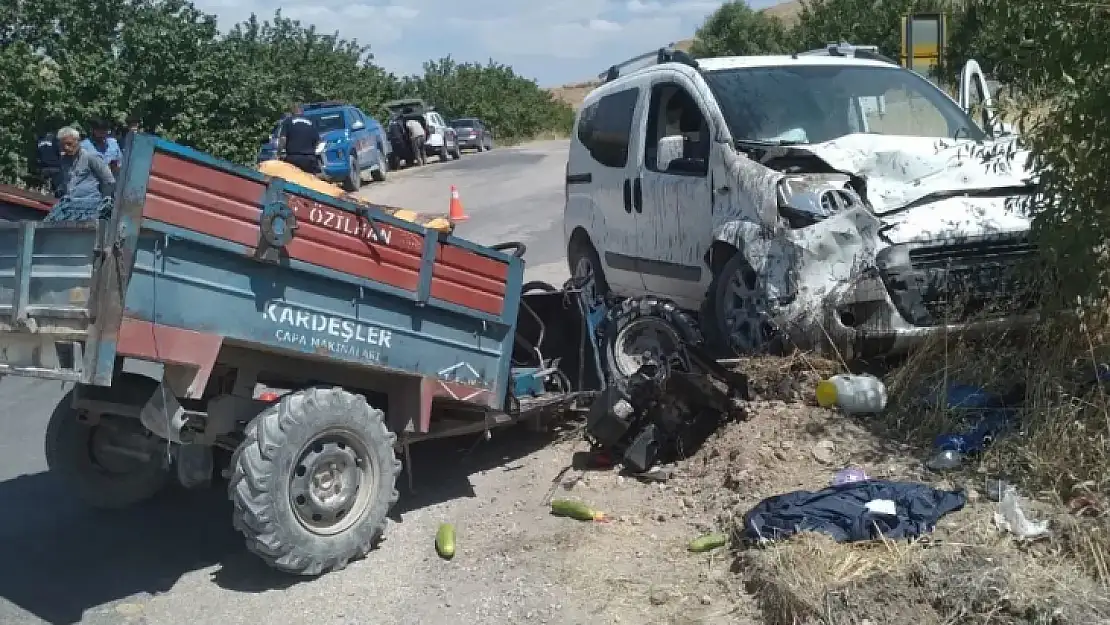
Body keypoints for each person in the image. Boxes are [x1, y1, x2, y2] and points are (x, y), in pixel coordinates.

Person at [43, 126, 117, 223]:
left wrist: (105, 204)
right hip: (71, 208)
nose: (66, 148)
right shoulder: (64, 161)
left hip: (90, 208)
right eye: (63, 145)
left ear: (78, 141)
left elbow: (109, 181)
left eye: (69, 144)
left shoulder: (91, 158)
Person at [278, 104, 321, 174]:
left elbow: (283, 139)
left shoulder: (288, 121)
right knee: (309, 180)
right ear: (302, 111)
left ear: (292, 112)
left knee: (292, 180)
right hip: (309, 159)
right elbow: (318, 141)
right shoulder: (311, 122)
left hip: (293, 158)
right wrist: (312, 150)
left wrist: (279, 153)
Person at [35, 124, 65, 198]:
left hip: (44, 169)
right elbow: (61, 153)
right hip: (56, 168)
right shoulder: (55, 140)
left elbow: (38, 156)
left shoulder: (40, 140)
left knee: (44, 189)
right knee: (60, 189)